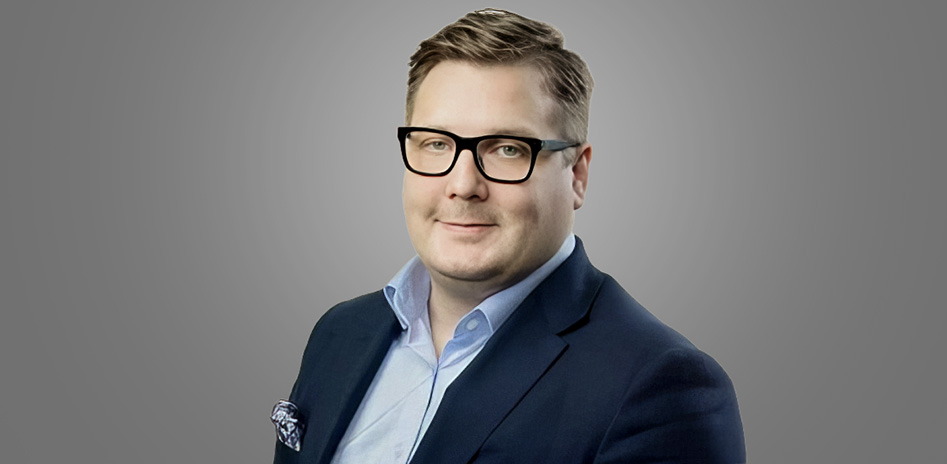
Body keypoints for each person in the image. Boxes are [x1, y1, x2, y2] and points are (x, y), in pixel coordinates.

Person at [272, 8, 745, 464]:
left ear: (578, 175)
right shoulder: (339, 333)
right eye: (436, 143)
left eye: (507, 149)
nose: (463, 185)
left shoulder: (662, 388)